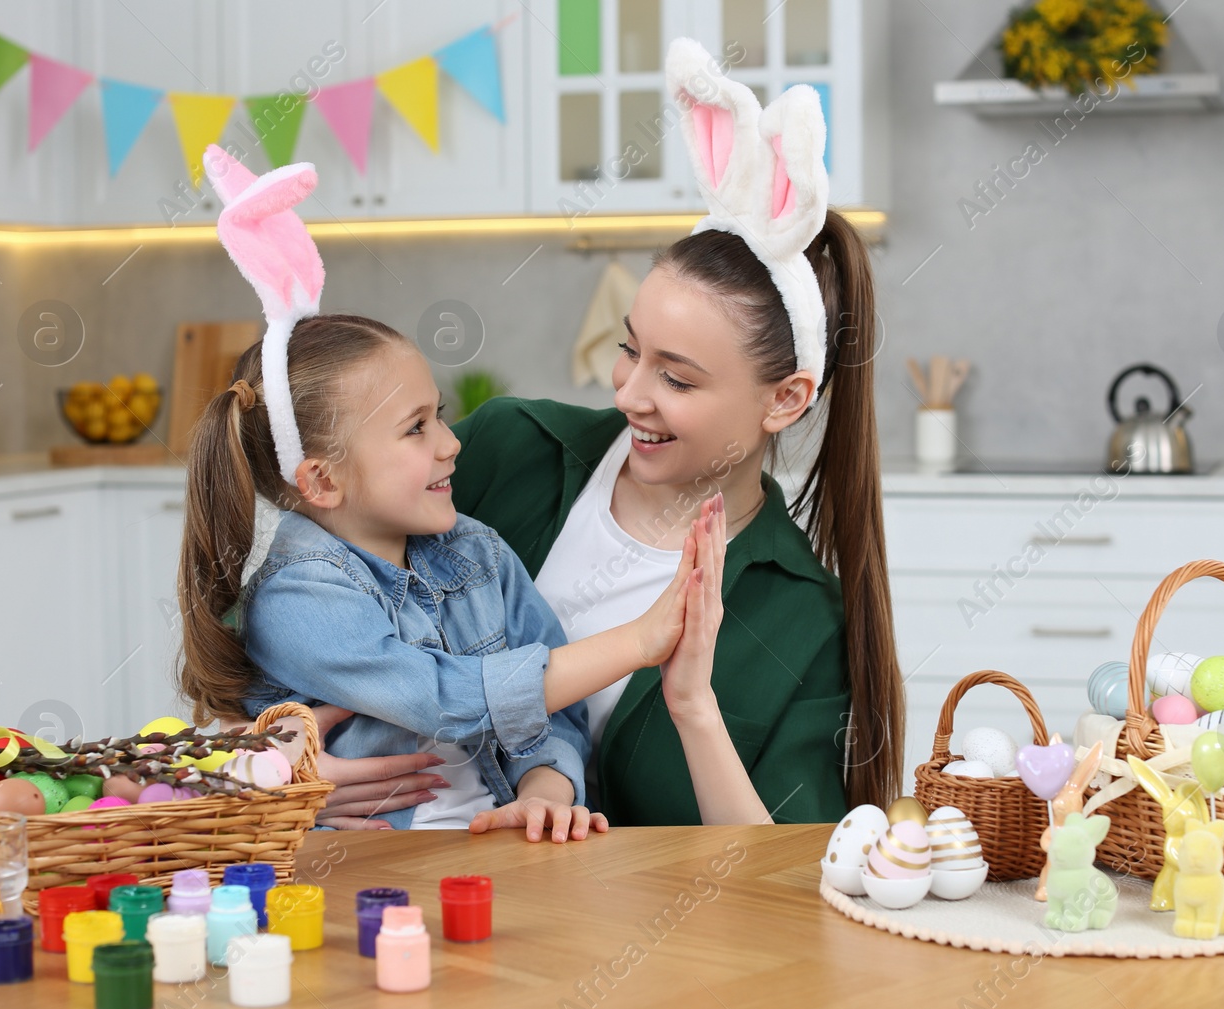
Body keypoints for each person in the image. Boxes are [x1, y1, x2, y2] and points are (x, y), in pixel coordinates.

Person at [317, 40, 906, 828]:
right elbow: (297, 586)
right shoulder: (508, 449)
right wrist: (281, 742)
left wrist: (693, 706)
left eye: (678, 377)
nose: (630, 393)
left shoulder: (800, 615)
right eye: (631, 349)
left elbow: (792, 877)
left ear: (786, 399)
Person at [175, 147, 718, 838]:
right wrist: (640, 640)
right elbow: (444, 699)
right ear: (322, 479)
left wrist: (547, 783)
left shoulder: (474, 552)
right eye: (416, 427)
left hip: (491, 841)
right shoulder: (299, 596)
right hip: (364, 869)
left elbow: (555, 707)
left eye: (439, 415)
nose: (451, 442)